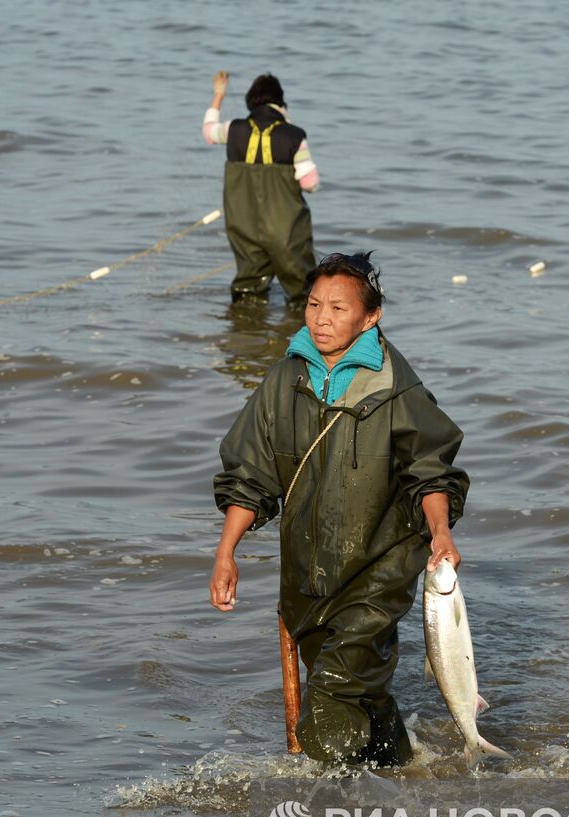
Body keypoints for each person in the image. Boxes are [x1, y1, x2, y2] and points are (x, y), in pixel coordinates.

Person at [209, 252, 470, 767]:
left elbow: (431, 470)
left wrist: (440, 532)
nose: (321, 318)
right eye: (312, 305)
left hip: (379, 572)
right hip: (304, 578)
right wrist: (226, 554)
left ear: (370, 317)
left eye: (337, 308)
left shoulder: (397, 388)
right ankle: (403, 774)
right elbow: (250, 475)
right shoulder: (284, 382)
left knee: (329, 702)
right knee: (361, 697)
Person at [202, 71, 319, 307]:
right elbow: (311, 183)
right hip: (287, 230)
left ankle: (246, 334)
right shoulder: (294, 136)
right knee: (304, 296)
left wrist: (218, 94)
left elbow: (208, 132)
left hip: (243, 226)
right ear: (280, 101)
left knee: (248, 292)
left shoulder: (233, 129)